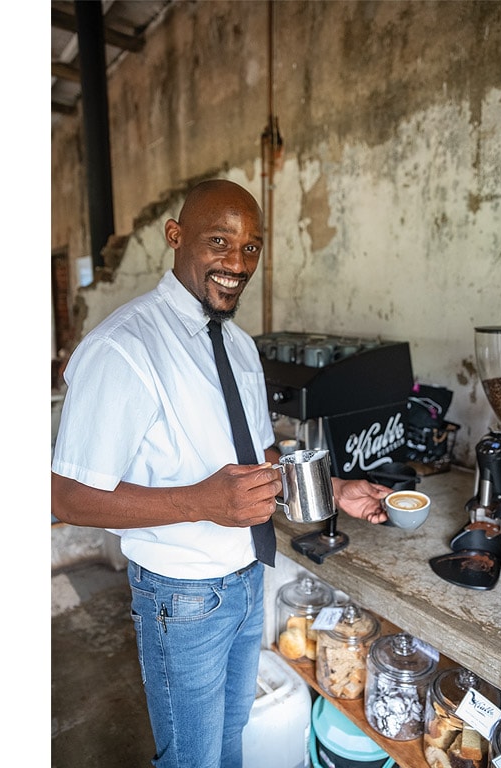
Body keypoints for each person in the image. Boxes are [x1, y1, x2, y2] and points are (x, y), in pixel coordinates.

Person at [51, 178, 390, 768]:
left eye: (250, 247)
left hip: (246, 578)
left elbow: (259, 458)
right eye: (219, 241)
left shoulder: (239, 346)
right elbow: (68, 496)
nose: (237, 264)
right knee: (193, 759)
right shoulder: (124, 347)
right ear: (175, 236)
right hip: (181, 596)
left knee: (232, 740)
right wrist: (200, 502)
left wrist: (332, 488)